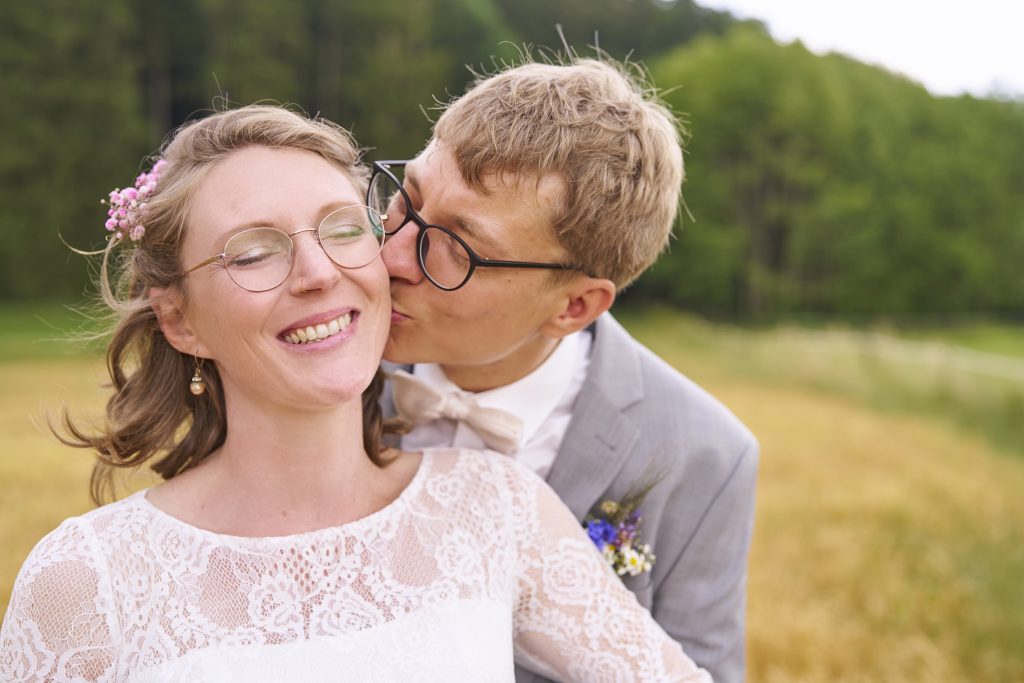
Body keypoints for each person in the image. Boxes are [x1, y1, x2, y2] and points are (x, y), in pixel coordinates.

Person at [0, 105, 711, 682]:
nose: (318, 272)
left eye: (345, 229)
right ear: (180, 318)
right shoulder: (85, 582)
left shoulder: (496, 510)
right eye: (253, 251)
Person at [371, 57, 759, 683]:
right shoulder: (328, 357)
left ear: (574, 307)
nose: (390, 257)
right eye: (406, 199)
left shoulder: (707, 456)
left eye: (456, 247)